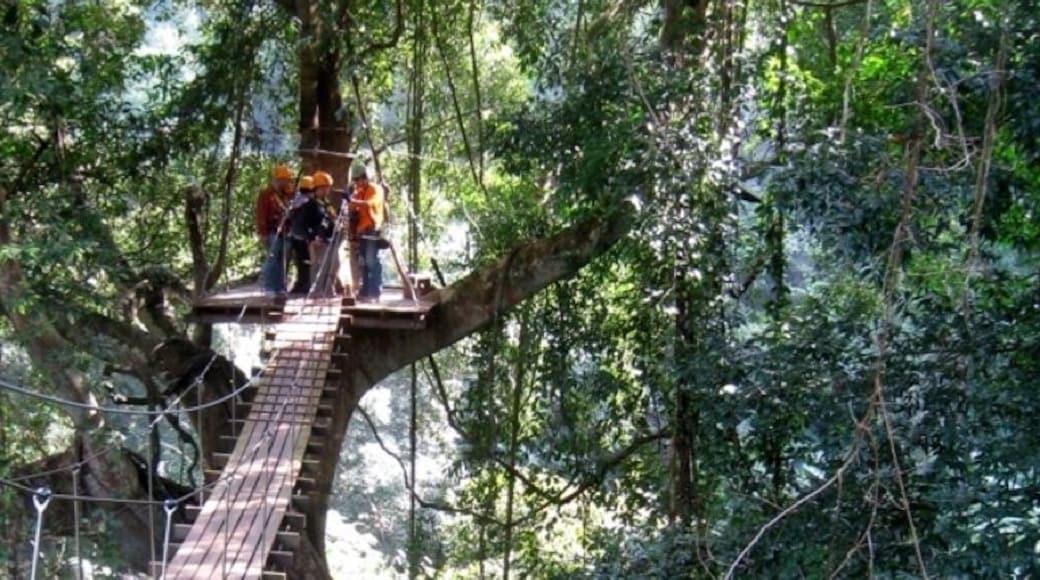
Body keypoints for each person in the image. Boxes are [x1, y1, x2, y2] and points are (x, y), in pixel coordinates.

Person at [348, 160, 385, 302]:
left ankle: (375, 291)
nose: (357, 183)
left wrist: (353, 202)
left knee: (371, 261)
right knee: (363, 262)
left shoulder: (375, 189)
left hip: (372, 230)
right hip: (362, 232)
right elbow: (352, 208)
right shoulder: (359, 192)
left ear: (365, 177)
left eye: (358, 180)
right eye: (355, 181)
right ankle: (365, 291)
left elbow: (369, 204)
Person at [257, 164, 293, 297]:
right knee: (272, 258)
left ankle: (280, 287)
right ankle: (269, 287)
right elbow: (261, 213)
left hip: (285, 230)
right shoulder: (266, 194)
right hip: (272, 231)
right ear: (278, 179)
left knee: (283, 259)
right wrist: (262, 232)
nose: (287, 183)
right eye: (285, 180)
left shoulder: (286, 195)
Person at [308, 171, 341, 295]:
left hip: (329, 238)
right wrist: (312, 238)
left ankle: (328, 289)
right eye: (324, 188)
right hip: (317, 239)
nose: (327, 190)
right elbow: (306, 223)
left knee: (334, 263)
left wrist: (337, 223)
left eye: (328, 187)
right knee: (319, 265)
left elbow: (332, 218)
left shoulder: (327, 204)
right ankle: (316, 291)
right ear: (317, 188)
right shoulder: (311, 204)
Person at [286, 175, 317, 295]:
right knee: (305, 261)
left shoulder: (295, 200)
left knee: (299, 261)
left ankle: (300, 284)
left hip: (294, 235)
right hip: (303, 236)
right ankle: (305, 285)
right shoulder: (307, 202)